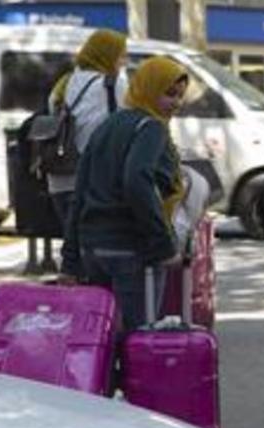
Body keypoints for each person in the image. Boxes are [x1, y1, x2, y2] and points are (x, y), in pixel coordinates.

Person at [62, 56, 188, 332]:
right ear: (150, 89)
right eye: (169, 94)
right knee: (137, 339)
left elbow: (80, 191)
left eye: (180, 96)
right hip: (132, 249)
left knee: (99, 338)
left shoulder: (108, 125)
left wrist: (70, 261)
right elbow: (136, 182)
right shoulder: (151, 128)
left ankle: (105, 377)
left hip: (93, 249)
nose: (176, 103)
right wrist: (164, 246)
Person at [51, 29, 129, 276]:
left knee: (75, 256)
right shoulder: (114, 85)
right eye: (121, 56)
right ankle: (98, 311)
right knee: (98, 263)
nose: (123, 61)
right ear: (107, 56)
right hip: (94, 184)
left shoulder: (63, 83)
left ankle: (82, 308)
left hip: (59, 180)